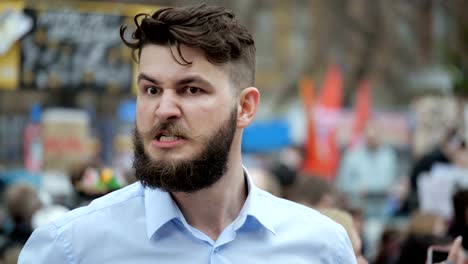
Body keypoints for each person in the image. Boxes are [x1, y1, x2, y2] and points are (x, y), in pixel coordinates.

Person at [19, 4, 356, 263]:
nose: (164, 109)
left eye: (191, 90)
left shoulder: (321, 247)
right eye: (151, 90)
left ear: (246, 107)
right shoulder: (70, 247)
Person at [336, 119, 398, 217]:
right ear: (364, 134)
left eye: (376, 133)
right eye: (369, 134)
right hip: (357, 212)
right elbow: (342, 185)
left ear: (381, 134)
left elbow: (392, 183)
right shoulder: (352, 155)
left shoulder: (389, 156)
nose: (372, 136)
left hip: (383, 212)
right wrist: (358, 189)